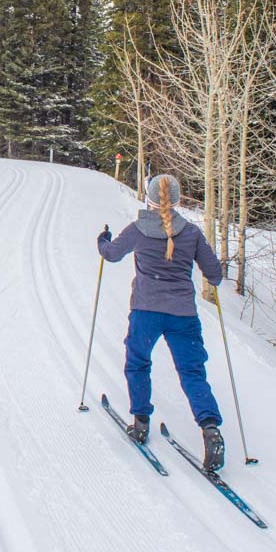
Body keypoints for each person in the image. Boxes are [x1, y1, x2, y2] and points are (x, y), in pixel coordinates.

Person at [97, 173, 226, 472]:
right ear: (179, 200)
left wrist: (102, 240)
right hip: (183, 315)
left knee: (138, 362)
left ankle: (140, 422)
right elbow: (215, 275)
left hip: (145, 312)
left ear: (150, 199)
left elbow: (111, 255)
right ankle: (210, 429)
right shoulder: (191, 232)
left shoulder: (138, 230)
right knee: (192, 373)